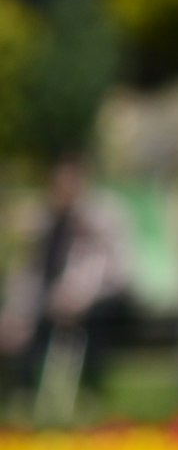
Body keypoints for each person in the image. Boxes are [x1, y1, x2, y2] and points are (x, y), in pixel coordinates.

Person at [0, 154, 136, 419]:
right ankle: (23, 392)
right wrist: (14, 312)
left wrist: (79, 296)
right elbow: (29, 274)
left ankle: (89, 389)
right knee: (21, 323)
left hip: (101, 296)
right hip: (51, 300)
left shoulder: (103, 216)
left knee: (92, 319)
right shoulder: (45, 221)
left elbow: (116, 271)